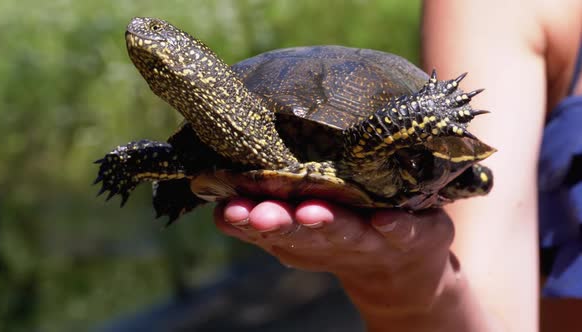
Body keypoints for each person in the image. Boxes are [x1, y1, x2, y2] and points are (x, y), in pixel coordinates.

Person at [213, 0, 582, 330]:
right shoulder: (502, 10)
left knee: (465, 175)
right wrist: (407, 281)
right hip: (361, 160)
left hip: (375, 151)